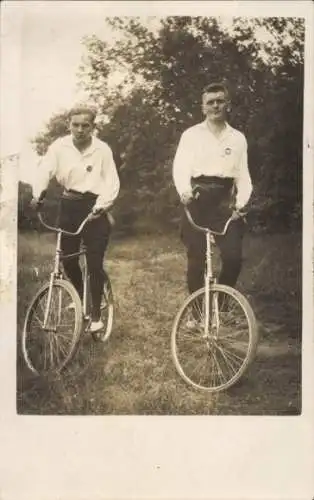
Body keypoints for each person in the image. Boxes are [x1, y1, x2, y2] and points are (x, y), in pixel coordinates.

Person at [31, 106, 120, 333]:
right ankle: (80, 297)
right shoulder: (59, 147)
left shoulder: (102, 149)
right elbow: (44, 170)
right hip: (69, 206)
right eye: (76, 125)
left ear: (93, 127)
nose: (80, 130)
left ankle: (97, 315)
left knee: (93, 262)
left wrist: (101, 207)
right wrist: (38, 194)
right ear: (69, 125)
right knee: (68, 259)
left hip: (95, 207)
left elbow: (111, 182)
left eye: (85, 125)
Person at [172, 82, 252, 303]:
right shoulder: (191, 135)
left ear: (228, 104)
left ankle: (220, 303)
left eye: (220, 101)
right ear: (203, 107)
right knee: (197, 260)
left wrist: (241, 204)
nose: (216, 105)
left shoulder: (237, 138)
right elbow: (180, 168)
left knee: (234, 258)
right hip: (197, 199)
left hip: (225, 203)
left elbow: (243, 177)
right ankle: (198, 313)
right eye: (211, 102)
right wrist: (185, 192)